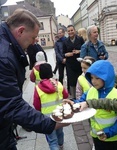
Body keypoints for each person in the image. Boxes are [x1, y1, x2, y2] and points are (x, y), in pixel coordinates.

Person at [0, 8, 67, 150]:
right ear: (21, 31)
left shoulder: (7, 45)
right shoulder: (4, 57)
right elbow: (12, 105)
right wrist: (51, 124)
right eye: (33, 37)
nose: (34, 42)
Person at [65, 60, 117, 150]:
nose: (93, 81)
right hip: (96, 135)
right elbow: (81, 102)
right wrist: (72, 104)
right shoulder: (90, 91)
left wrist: (109, 132)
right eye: (92, 78)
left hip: (111, 138)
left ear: (106, 77)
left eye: (97, 78)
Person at [33, 63, 68, 150]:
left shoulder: (38, 88)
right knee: (60, 132)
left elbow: (36, 105)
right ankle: (61, 145)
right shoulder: (58, 84)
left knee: (52, 140)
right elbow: (66, 95)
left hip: (47, 118)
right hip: (60, 115)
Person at [63, 25, 85, 99]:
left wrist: (79, 51)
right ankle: (73, 97)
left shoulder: (80, 39)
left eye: (71, 30)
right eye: (69, 31)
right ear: (67, 32)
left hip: (79, 64)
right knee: (72, 82)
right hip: (70, 65)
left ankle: (82, 96)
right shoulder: (65, 41)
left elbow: (84, 49)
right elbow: (63, 53)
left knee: (81, 79)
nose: (70, 32)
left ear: (74, 30)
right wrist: (67, 54)